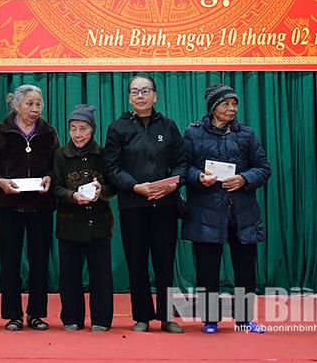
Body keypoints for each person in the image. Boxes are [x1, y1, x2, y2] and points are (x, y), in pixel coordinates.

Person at [182, 84, 271, 334]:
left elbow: (263, 167)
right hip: (205, 213)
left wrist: (244, 179)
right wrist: (198, 177)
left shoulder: (246, 134)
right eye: (225, 104)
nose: (232, 109)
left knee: (245, 270)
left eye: (234, 104)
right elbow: (182, 167)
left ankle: (244, 320)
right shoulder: (193, 133)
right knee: (207, 269)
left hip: (242, 214)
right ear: (213, 108)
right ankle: (210, 320)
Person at [103, 74, 186, 333]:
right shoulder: (118, 128)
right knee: (136, 261)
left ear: (155, 95)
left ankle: (167, 317)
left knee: (165, 261)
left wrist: (173, 185)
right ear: (129, 97)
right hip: (133, 205)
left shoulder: (168, 126)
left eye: (145, 90)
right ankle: (142, 317)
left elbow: (182, 162)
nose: (140, 96)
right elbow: (111, 167)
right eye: (135, 91)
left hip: (165, 204)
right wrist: (134, 186)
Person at [0, 84, 58, 331]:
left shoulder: (49, 132)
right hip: (8, 205)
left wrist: (50, 178)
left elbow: (56, 165)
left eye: (39, 103)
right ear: (16, 105)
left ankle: (36, 314)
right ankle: (13, 315)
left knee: (39, 262)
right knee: (10, 262)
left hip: (41, 206)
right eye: (29, 103)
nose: (35, 108)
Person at [52, 104, 116, 332]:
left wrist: (102, 191)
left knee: (101, 274)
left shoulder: (103, 155)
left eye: (83, 129)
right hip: (69, 223)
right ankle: (72, 317)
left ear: (92, 130)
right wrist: (72, 196)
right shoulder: (60, 155)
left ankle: (101, 319)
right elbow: (55, 187)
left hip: (99, 223)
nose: (77, 134)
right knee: (69, 274)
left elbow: (114, 185)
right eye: (73, 128)